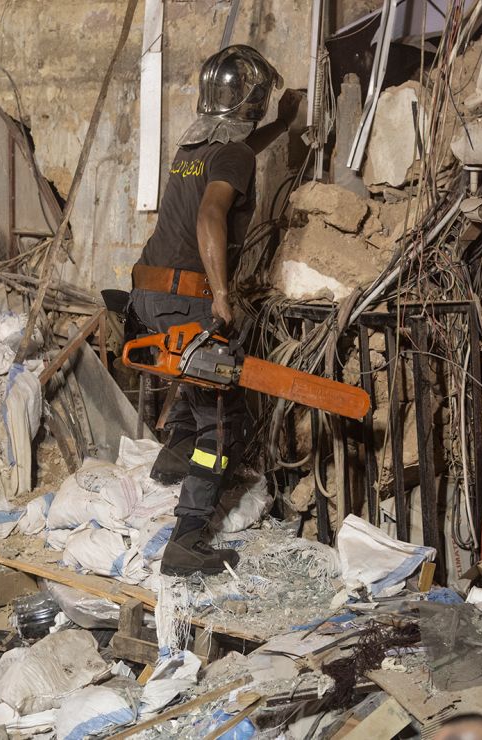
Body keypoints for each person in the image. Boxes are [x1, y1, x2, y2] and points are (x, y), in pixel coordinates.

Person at [128, 45, 300, 576]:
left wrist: (282, 127)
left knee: (196, 373)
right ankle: (188, 537)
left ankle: (170, 460)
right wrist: (222, 295)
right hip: (188, 294)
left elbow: (239, 155)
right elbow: (210, 217)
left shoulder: (197, 147)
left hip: (149, 292)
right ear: (251, 97)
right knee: (222, 425)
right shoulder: (232, 158)